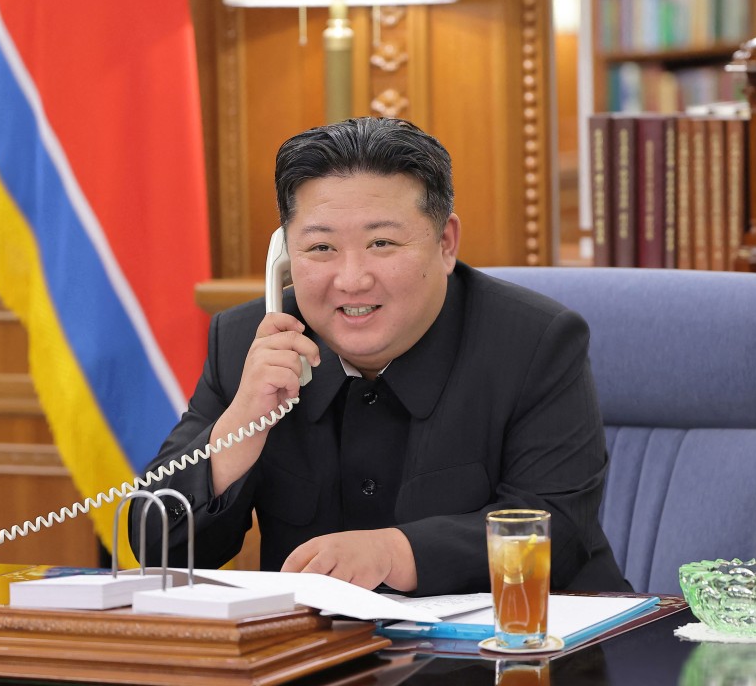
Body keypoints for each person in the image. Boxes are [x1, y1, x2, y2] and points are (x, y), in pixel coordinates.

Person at [134, 116, 627, 596]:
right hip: (320, 658)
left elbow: (556, 533)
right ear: (285, 256)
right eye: (321, 247)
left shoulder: (536, 341)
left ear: (445, 242)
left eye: (382, 243)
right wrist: (240, 426)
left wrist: (394, 553)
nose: (351, 279)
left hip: (521, 654)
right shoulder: (251, 342)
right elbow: (157, 547)